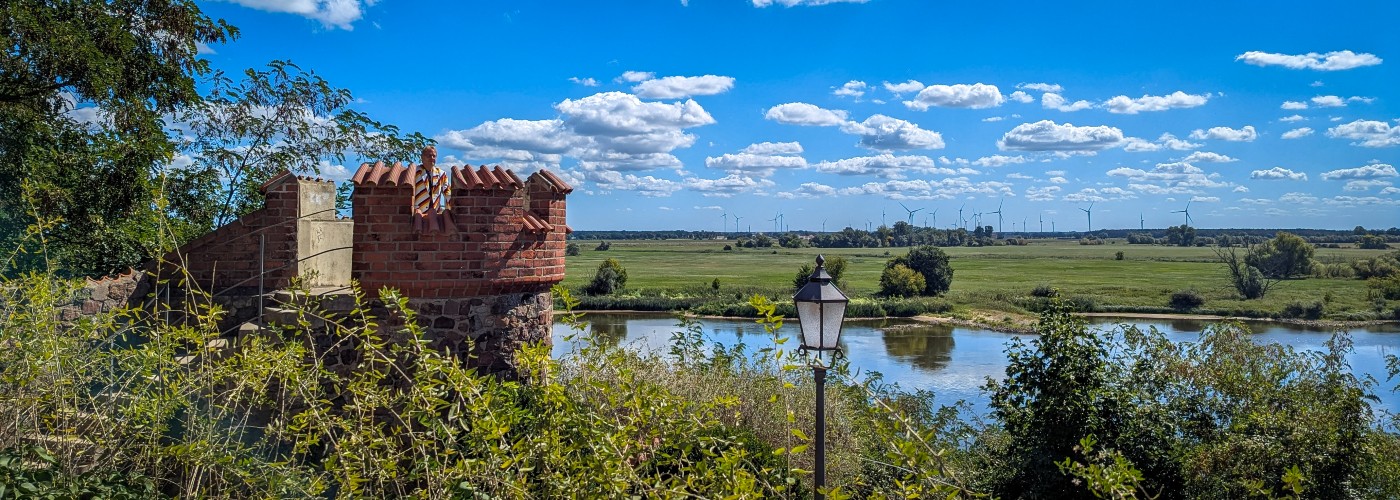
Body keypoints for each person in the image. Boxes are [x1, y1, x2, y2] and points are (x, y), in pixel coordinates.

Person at [413, 146, 450, 213]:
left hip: (435, 212)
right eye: (429, 156)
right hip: (417, 212)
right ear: (422, 157)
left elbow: (448, 193)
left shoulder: (441, 174)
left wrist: (451, 211)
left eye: (434, 156)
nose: (432, 158)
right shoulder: (414, 172)